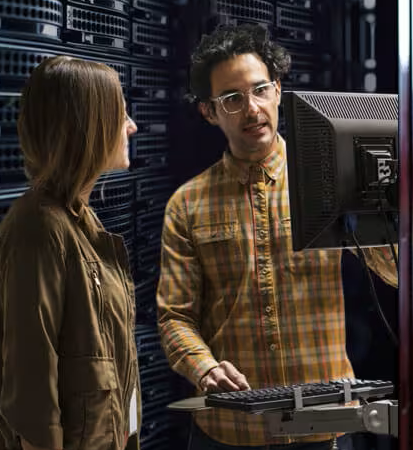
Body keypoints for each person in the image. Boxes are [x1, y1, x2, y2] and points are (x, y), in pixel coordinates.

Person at [157, 24, 398, 450]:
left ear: (279, 90)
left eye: (260, 89)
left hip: (323, 419)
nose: (251, 109)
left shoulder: (331, 179)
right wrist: (204, 367)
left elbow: (397, 275)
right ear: (209, 112)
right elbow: (175, 316)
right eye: (232, 99)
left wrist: (382, 204)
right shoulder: (187, 204)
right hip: (231, 429)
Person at [0, 56, 141, 450]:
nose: (132, 127)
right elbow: (31, 399)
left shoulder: (81, 223)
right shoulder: (39, 229)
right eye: (120, 114)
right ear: (88, 126)